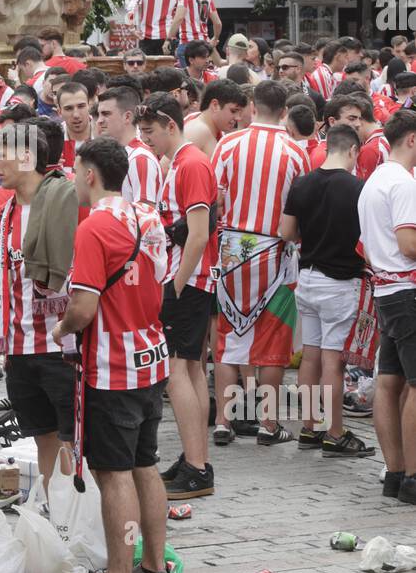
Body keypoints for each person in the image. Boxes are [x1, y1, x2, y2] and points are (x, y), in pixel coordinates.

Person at [52, 138, 170, 573]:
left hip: (112, 365)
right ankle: (152, 569)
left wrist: (61, 329)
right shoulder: (149, 216)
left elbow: (83, 306)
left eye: (76, 170)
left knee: (113, 471)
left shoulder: (94, 226)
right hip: (151, 353)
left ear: (90, 173)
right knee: (145, 463)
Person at [0, 118, 78, 490]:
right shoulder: (6, 210)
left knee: (71, 438)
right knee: (43, 435)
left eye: (2, 155)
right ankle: (56, 510)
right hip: (18, 346)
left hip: (59, 347)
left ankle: (79, 509)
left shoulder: (67, 201)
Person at [211, 80, 310, 445]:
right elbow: (298, 209)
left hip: (233, 247)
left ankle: (223, 420)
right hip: (276, 249)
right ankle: (268, 424)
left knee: (227, 335)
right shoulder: (296, 151)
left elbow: (216, 198)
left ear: (252, 106)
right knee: (274, 337)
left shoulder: (228, 143)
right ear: (284, 111)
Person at [279, 123, 375, 460]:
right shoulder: (358, 188)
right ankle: (336, 433)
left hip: (308, 278)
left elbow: (286, 232)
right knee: (333, 361)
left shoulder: (302, 183)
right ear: (352, 151)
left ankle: (309, 427)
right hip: (340, 282)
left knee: (311, 354)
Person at [139, 95, 217, 498]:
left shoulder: (190, 163)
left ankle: (197, 465)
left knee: (177, 371)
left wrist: (177, 284)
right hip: (190, 277)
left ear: (170, 125)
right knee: (189, 370)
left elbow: (200, 233)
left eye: (149, 131)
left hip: (187, 278)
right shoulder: (185, 162)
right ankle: (195, 459)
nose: (145, 139)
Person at [357, 109, 416, 504]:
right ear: (411, 139)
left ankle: (396, 472)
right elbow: (409, 244)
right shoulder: (403, 182)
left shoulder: (376, 178)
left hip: (386, 290)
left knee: (390, 380)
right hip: (407, 289)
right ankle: (412, 475)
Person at [95, 81, 161, 207]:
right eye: (99, 114)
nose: (99, 121)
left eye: (106, 114)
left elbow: (145, 218)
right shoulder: (121, 154)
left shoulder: (140, 159)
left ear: (127, 117)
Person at [165, 0, 221, 64]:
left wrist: (168, 39)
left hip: (188, 43)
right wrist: (215, 38)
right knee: (201, 78)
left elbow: (179, 17)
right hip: (204, 45)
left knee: (188, 78)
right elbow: (217, 23)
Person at [184, 80, 248, 159]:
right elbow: (167, 167)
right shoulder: (199, 130)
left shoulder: (208, 128)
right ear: (215, 105)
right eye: (233, 111)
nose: (238, 118)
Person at [56, 81, 94, 170]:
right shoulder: (53, 141)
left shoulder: (105, 135)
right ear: (59, 111)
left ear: (89, 106)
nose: (76, 115)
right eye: (69, 108)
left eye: (81, 106)